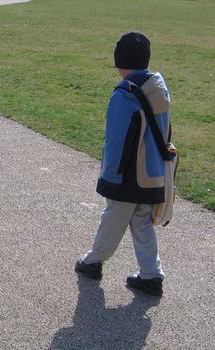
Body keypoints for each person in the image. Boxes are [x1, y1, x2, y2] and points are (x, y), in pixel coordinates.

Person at [75, 32, 172, 296]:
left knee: (113, 218)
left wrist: (110, 177)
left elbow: (116, 141)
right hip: (153, 172)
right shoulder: (158, 88)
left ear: (120, 62)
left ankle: (93, 261)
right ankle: (151, 274)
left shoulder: (124, 96)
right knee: (142, 222)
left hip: (127, 173)